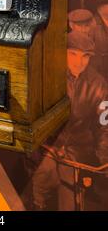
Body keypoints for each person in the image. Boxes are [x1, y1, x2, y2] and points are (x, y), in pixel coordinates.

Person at [31, 32, 108, 211]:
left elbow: (105, 126)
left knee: (71, 202)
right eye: (73, 53)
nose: (79, 62)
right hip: (46, 150)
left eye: (85, 56)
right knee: (40, 189)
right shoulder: (46, 75)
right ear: (62, 52)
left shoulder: (99, 85)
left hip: (77, 154)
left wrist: (104, 158)